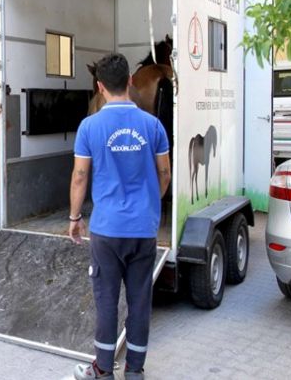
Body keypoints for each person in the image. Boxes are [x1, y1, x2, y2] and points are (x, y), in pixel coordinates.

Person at [68, 54, 171, 379]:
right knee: (140, 301)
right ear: (129, 80)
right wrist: (150, 203)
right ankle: (135, 371)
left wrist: (74, 217)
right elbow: (164, 173)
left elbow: (80, 177)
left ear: (99, 86)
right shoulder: (153, 125)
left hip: (107, 230)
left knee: (107, 301)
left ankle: (102, 370)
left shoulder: (89, 126)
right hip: (143, 229)